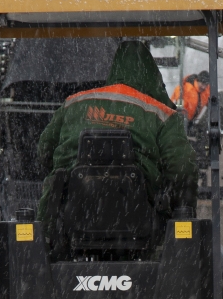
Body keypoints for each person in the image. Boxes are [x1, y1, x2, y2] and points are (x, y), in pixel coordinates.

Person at [35, 41, 198, 222]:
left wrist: (70, 176)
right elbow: (183, 168)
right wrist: (183, 209)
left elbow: (44, 149)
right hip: (138, 221)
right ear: (153, 76)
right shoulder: (162, 115)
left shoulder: (74, 103)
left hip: (70, 219)